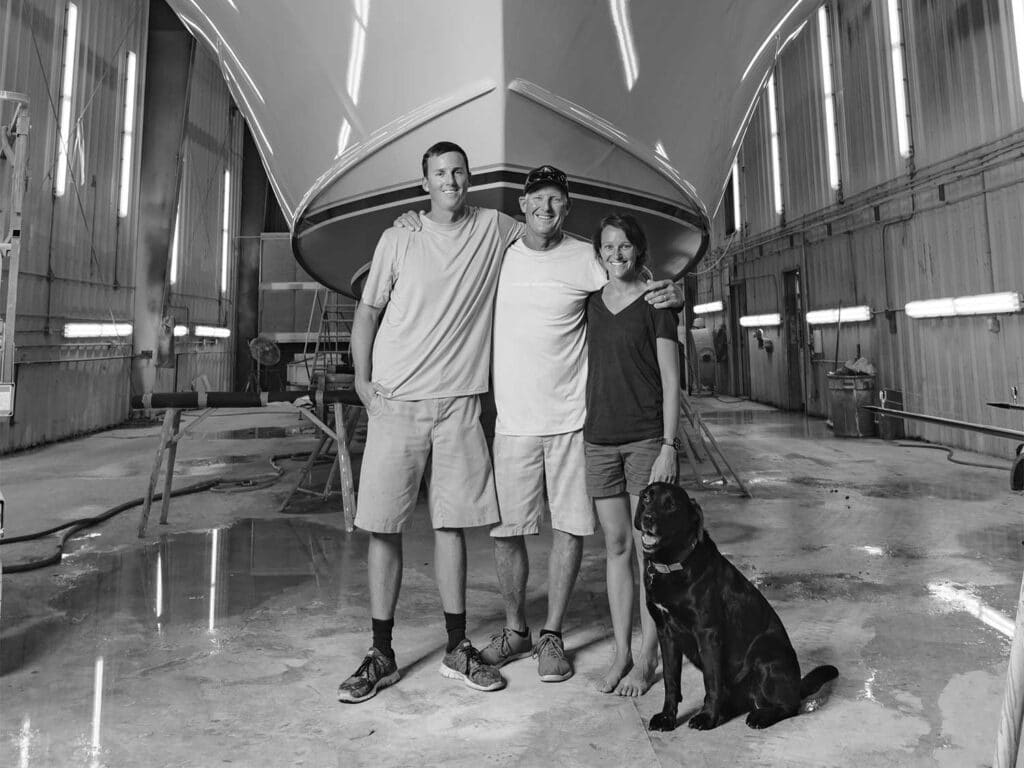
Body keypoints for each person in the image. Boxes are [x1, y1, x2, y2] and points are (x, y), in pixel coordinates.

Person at [386, 160, 683, 690]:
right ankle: (515, 628)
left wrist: (671, 292)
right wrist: (413, 218)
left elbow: (629, 276)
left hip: (573, 422)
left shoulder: (586, 259)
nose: (546, 208)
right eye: (536, 199)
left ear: (567, 209)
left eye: (556, 201)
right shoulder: (496, 251)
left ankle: (551, 634)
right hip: (513, 423)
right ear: (521, 206)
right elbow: (450, 226)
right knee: (509, 532)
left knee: (570, 528)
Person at [337, 141, 522, 703]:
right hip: (397, 400)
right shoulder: (399, 237)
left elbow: (547, 232)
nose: (450, 179)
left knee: (453, 525)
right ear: (424, 185)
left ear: (470, 178)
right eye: (439, 173)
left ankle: (457, 647)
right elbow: (367, 314)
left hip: (461, 402)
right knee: (384, 525)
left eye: (458, 171)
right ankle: (381, 653)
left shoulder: (494, 227)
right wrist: (362, 381)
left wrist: (633, 269)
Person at [584, 213, 680, 697]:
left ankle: (648, 656)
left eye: (625, 246)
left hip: (645, 439)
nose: (616, 254)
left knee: (650, 551)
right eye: (608, 246)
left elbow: (670, 379)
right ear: (598, 253)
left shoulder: (658, 303)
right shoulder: (589, 304)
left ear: (637, 252)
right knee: (616, 547)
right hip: (599, 438)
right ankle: (621, 651)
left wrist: (669, 445)